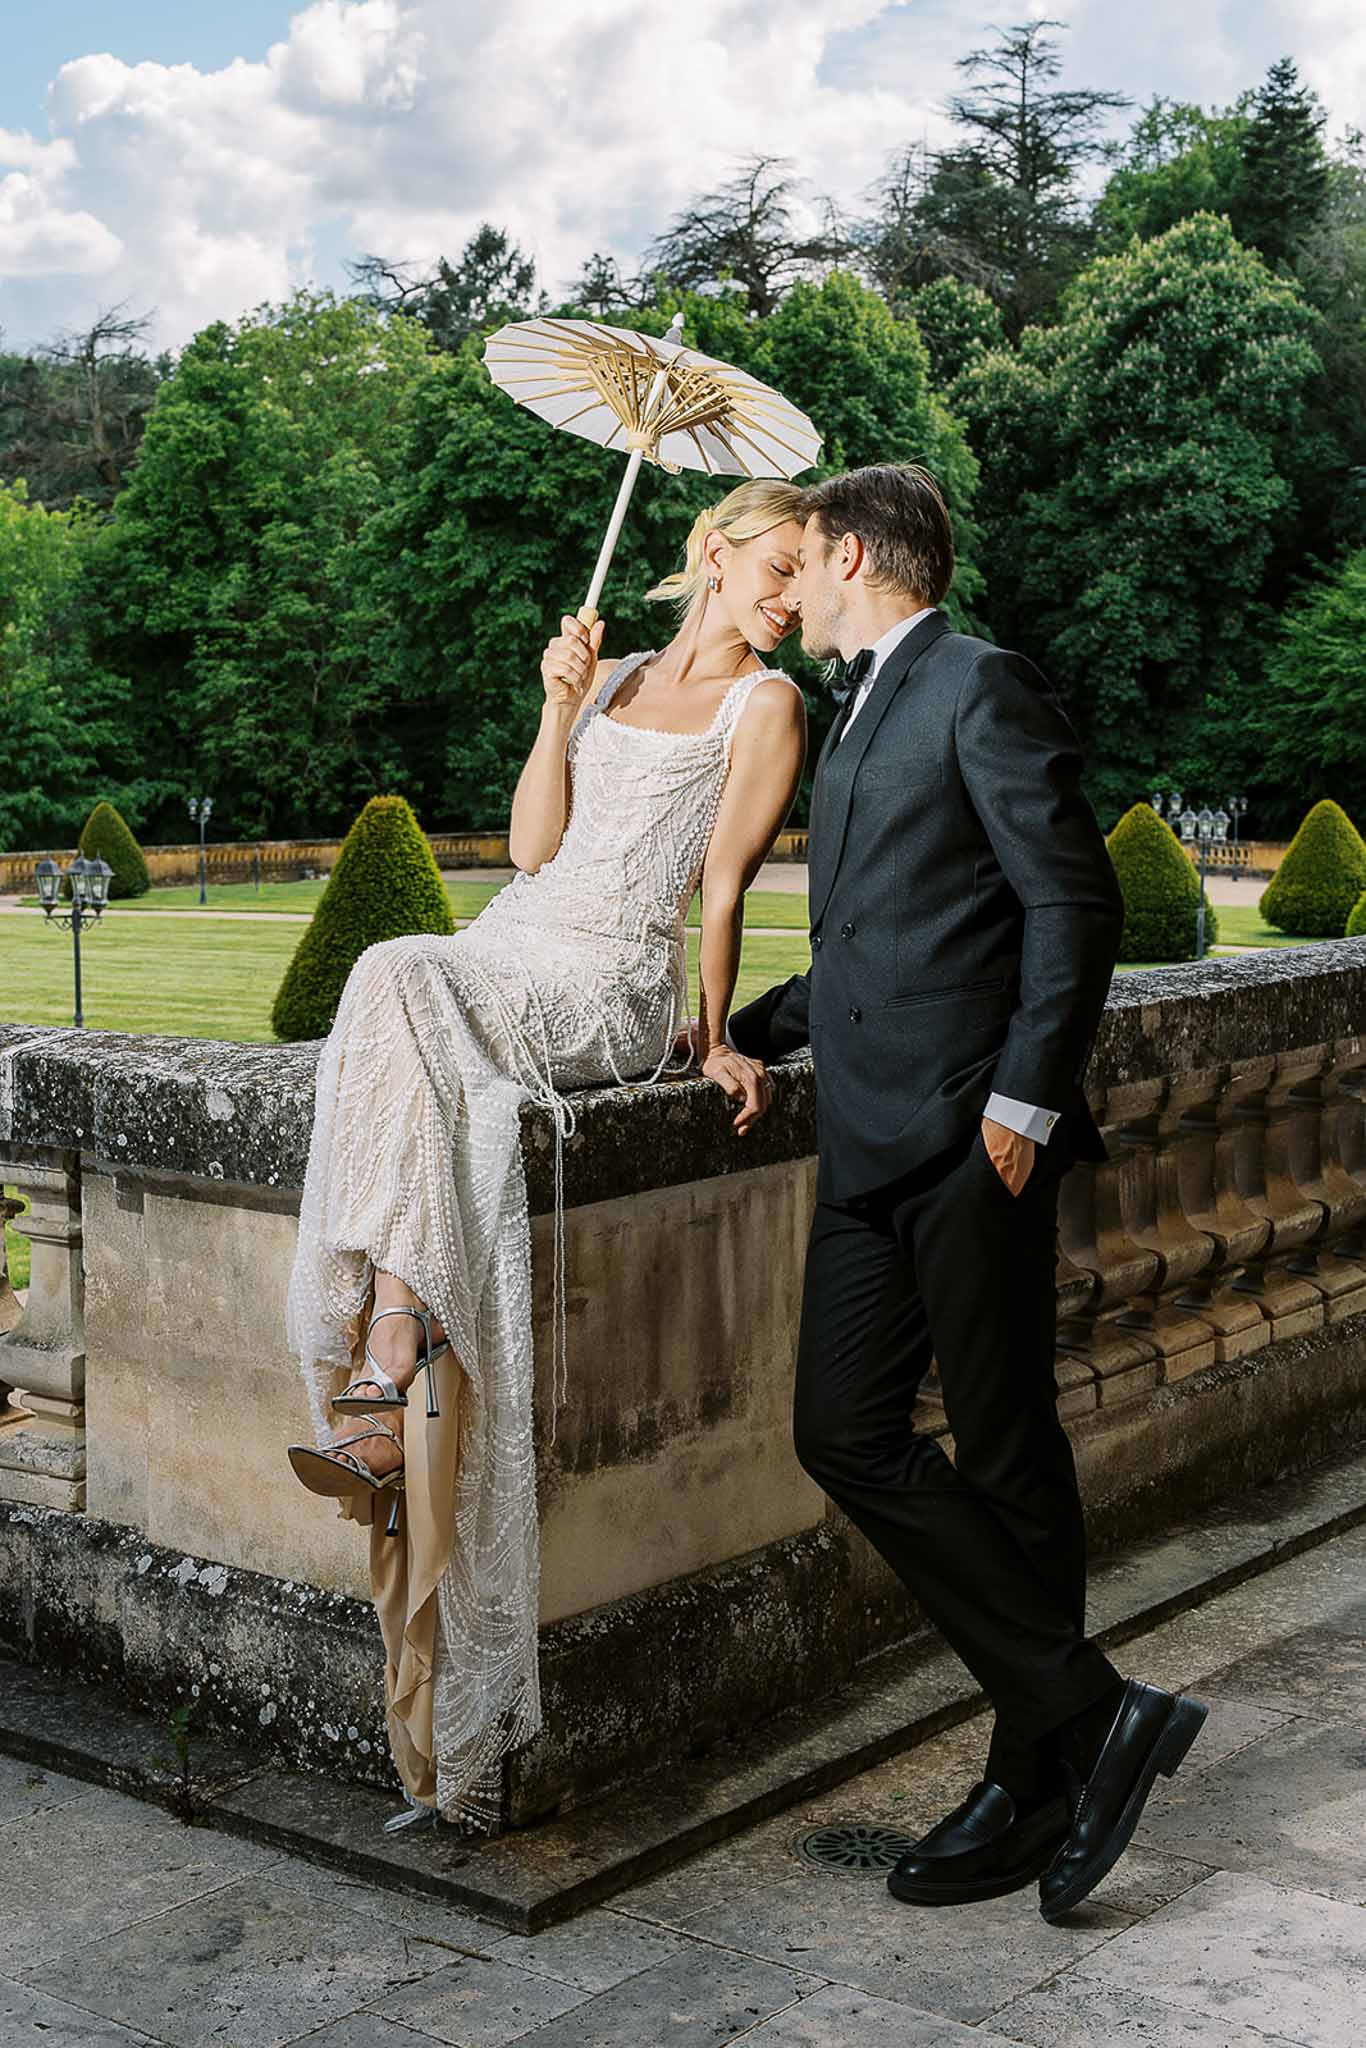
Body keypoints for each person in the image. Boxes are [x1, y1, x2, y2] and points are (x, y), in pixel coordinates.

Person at [283, 477, 804, 1833]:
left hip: (609, 985)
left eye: (809, 576)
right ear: (713, 549)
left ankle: (387, 1360)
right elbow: (527, 846)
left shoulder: (770, 706)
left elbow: (725, 887)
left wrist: (705, 1038)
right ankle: (401, 1339)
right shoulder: (617, 668)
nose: (791, 594)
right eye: (777, 564)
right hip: (513, 937)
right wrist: (555, 703)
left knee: (395, 972)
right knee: (407, 988)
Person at [725, 461, 1208, 1919]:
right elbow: (896, 932)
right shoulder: (860, 703)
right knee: (842, 1430)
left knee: (1005, 1453)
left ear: (860, 556)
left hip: (966, 1139)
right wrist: (738, 1031)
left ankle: (1030, 1770)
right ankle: (1090, 1710)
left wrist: (1022, 1098)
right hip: (868, 1140)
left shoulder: (980, 683)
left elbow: (1071, 901)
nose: (787, 583)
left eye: (801, 558)